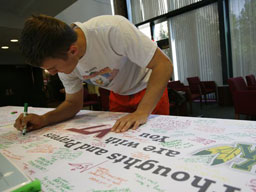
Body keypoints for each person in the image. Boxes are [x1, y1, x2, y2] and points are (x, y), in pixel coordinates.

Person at [14, 14, 173, 133]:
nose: (53, 73)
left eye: (54, 67)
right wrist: (43, 119)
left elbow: (163, 65)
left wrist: (142, 112)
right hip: (117, 95)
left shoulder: (112, 29)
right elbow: (73, 104)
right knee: (123, 142)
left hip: (148, 88)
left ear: (73, 51)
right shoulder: (62, 55)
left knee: (153, 141)